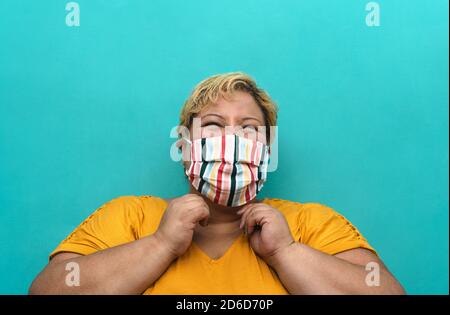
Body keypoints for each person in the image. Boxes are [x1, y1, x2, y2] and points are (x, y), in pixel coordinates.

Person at [29, 72, 405, 294]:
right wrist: (159, 245)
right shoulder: (129, 215)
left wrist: (286, 252)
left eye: (249, 128)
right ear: (184, 146)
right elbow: (47, 291)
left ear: (267, 151)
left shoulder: (312, 224)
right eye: (212, 125)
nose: (233, 139)